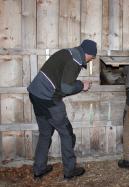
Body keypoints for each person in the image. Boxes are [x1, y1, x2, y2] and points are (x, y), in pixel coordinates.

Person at [27, 39, 97, 179]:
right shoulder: (75, 61)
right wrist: (81, 85)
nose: (91, 60)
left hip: (35, 94)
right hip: (48, 99)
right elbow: (66, 87)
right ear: (88, 54)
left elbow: (60, 81)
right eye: (92, 57)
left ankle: (39, 169)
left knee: (45, 133)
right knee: (66, 133)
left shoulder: (67, 52)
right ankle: (69, 171)